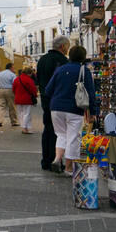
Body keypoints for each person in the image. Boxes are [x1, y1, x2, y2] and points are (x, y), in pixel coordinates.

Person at [43, 45, 98, 176]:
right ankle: (68, 168)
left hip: (56, 107)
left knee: (61, 135)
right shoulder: (84, 71)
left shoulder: (60, 69)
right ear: (83, 57)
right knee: (73, 137)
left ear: (69, 55)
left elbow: (48, 90)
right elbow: (90, 93)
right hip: (74, 108)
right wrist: (93, 112)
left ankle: (57, 159)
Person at [35, 36, 70, 172]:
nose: (67, 49)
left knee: (47, 129)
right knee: (59, 132)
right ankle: (55, 160)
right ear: (62, 47)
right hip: (58, 100)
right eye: (67, 46)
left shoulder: (42, 60)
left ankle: (46, 160)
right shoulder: (62, 61)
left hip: (45, 100)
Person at [13, 66, 39, 134]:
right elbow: (33, 90)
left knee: (20, 113)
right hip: (27, 99)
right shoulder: (29, 80)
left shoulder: (16, 79)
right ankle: (25, 128)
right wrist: (35, 96)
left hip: (18, 99)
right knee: (27, 114)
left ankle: (24, 127)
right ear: (29, 73)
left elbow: (13, 89)